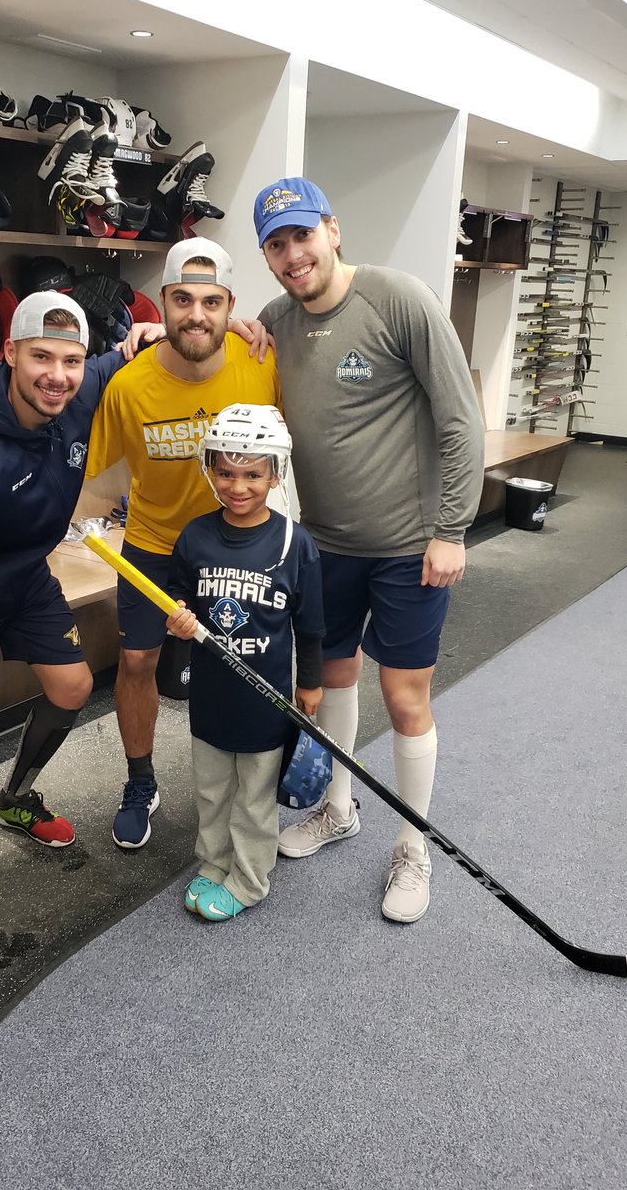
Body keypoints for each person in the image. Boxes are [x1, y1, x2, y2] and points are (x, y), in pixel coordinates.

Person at [252, 177, 485, 923]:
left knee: (405, 695)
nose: (293, 256)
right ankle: (339, 806)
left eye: (302, 236)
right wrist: (157, 334)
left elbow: (460, 421)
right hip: (325, 546)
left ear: (333, 230)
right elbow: (217, 353)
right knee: (333, 680)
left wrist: (451, 528)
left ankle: (412, 846)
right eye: (276, 245)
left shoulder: (398, 298)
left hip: (410, 547)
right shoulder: (273, 322)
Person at [0, 291, 163, 920]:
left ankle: (15, 798)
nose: (58, 375)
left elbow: (121, 354)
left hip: (23, 579)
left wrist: (149, 333)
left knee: (72, 687)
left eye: (71, 360)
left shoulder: (76, 396)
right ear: (10, 353)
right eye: (42, 357)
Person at [84, 238, 279, 851]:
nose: (197, 314)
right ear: (162, 305)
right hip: (154, 543)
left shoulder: (260, 366)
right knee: (138, 662)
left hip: (232, 546)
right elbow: (94, 477)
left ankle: (246, 782)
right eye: (183, 299)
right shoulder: (129, 384)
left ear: (230, 308)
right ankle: (140, 780)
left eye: (212, 301)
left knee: (237, 663)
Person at [164, 404, 324, 920]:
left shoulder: (293, 544)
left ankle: (250, 880)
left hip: (266, 700)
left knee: (254, 797)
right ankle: (213, 863)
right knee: (212, 791)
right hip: (211, 697)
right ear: (209, 468)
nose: (238, 486)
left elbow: (311, 624)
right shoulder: (195, 536)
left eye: (253, 474)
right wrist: (179, 617)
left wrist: (312, 683)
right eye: (226, 473)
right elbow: (176, 598)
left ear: (275, 473)